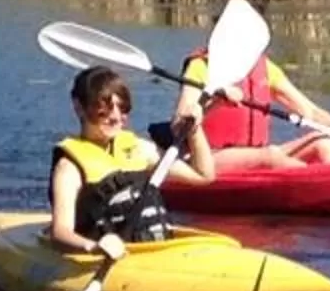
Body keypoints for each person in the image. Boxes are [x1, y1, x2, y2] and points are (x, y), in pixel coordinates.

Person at [47, 65, 216, 259]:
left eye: (123, 109)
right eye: (104, 111)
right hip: (108, 256)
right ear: (80, 108)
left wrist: (195, 131)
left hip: (155, 252)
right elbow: (60, 233)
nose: (116, 117)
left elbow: (204, 175)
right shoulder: (69, 168)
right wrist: (94, 247)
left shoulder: (140, 149)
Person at [172, 38, 330, 173]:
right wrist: (215, 102)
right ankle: (327, 185)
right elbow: (179, 123)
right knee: (270, 155)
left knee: (323, 140)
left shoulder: (265, 68)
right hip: (208, 158)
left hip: (255, 153)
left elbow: (310, 111)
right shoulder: (200, 67)